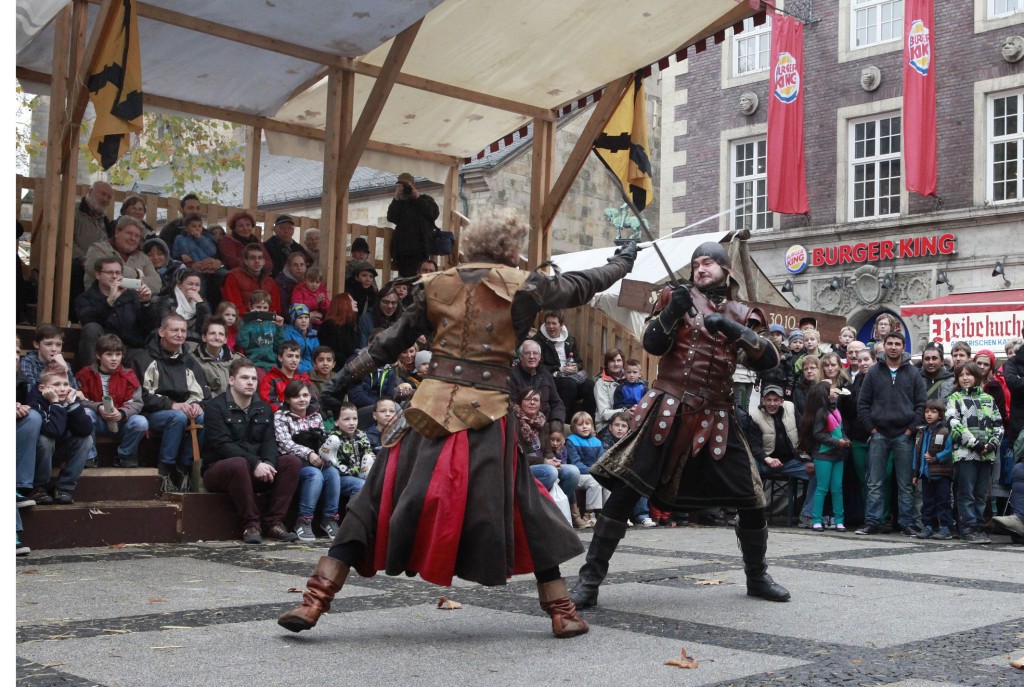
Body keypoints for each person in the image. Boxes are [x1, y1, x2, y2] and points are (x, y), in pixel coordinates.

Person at [277, 208, 636, 638]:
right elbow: (581, 285)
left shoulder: (436, 283)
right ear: (511, 248)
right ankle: (562, 611)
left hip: (428, 411)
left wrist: (340, 381)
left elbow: (388, 343)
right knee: (523, 505)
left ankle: (314, 601)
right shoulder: (524, 285)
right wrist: (622, 262)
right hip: (489, 416)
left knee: (377, 498)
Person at [570, 241, 788, 611]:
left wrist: (733, 329)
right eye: (696, 263)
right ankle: (589, 582)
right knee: (626, 490)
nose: (700, 268)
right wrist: (672, 310)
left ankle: (757, 576)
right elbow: (653, 343)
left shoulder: (742, 311)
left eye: (708, 263)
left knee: (752, 499)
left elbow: (769, 359)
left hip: (718, 415)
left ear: (726, 270)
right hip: (668, 408)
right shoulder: (676, 296)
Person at [202, 358, 301, 544]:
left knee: (292, 462)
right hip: (220, 470)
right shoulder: (215, 407)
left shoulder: (263, 407)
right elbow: (222, 445)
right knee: (238, 463)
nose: (250, 382)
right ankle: (251, 525)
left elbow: (270, 442)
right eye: (245, 378)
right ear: (232, 380)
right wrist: (255, 463)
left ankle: (274, 522)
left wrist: (268, 463)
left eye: (254, 379)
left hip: (256, 470)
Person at [855, 330, 926, 536]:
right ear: (884, 346)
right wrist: (872, 428)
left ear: (904, 347)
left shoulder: (913, 373)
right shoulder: (874, 372)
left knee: (905, 484)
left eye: (897, 344)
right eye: (890, 343)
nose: (893, 347)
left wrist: (910, 430)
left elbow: (921, 405)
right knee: (874, 482)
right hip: (879, 434)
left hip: (904, 435)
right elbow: (863, 404)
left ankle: (906, 523)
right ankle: (872, 521)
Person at [129, 313, 210, 493]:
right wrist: (170, 404)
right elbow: (140, 396)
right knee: (177, 418)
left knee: (202, 417)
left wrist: (196, 404)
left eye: (183, 331)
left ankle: (184, 469)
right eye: (175, 330)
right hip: (152, 413)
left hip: (182, 410)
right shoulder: (143, 359)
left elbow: (202, 393)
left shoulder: (189, 361)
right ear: (161, 332)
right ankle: (165, 471)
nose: (180, 334)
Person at [946, 361, 1003, 544]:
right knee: (966, 493)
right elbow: (954, 424)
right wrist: (975, 444)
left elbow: (998, 424)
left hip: (986, 455)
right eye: (961, 375)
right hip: (965, 454)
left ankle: (979, 526)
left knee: (981, 494)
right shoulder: (955, 398)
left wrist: (992, 444)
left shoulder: (988, 399)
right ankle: (967, 527)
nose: (965, 378)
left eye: (969, 374)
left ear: (977, 377)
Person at [74, 333, 148, 468]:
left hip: (121, 422)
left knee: (141, 422)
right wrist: (98, 407)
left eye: (118, 354)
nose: (114, 359)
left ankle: (125, 456)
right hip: (97, 421)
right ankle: (90, 457)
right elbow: (78, 400)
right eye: (109, 354)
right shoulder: (85, 375)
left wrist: (122, 413)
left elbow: (137, 403)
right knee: (85, 414)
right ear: (98, 355)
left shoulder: (128, 375)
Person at [274, 380, 335, 542]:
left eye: (305, 395)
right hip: (293, 464)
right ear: (288, 399)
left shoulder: (316, 415)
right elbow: (284, 444)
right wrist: (308, 454)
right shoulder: (281, 416)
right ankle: (304, 520)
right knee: (315, 475)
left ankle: (329, 519)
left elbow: (322, 439)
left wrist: (325, 455)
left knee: (332, 473)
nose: (302, 399)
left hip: (315, 461)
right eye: (296, 396)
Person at [513, 387, 583, 523]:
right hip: (523, 467)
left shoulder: (542, 422)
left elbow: (547, 450)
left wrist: (552, 460)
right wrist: (545, 462)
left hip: (543, 463)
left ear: (540, 403)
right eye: (528, 399)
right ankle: (534, 511)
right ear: (520, 402)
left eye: (535, 400)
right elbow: (517, 455)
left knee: (573, 472)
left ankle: (554, 512)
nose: (532, 402)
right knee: (550, 472)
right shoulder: (514, 422)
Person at [26, 364, 93, 505]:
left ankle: (64, 488)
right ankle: (38, 488)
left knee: (86, 440)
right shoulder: (35, 401)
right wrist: (55, 404)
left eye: (66, 384)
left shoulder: (68, 398)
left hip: (58, 450)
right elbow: (52, 431)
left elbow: (86, 430)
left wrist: (72, 404)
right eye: (56, 384)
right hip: (38, 456)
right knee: (45, 440)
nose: (62, 389)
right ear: (42, 388)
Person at [74, 256, 156, 369]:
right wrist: (110, 301)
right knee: (91, 328)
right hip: (101, 352)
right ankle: (90, 377)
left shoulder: (132, 296)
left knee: (145, 357)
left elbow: (148, 327)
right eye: (110, 272)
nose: (114, 276)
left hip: (128, 349)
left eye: (118, 273)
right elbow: (88, 322)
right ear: (98, 275)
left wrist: (146, 303)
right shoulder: (85, 298)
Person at [798, 381, 850, 532]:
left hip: (837, 455)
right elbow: (818, 434)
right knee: (822, 488)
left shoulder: (835, 410)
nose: (834, 391)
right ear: (826, 395)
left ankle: (839, 520)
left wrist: (845, 440)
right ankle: (816, 519)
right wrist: (837, 442)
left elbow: (841, 430)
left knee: (837, 488)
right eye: (831, 390)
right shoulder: (821, 412)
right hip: (823, 455)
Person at [533, 310, 596, 417]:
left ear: (561, 325)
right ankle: (563, 420)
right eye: (548, 323)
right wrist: (560, 369)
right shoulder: (538, 341)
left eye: (554, 323)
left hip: (570, 376)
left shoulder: (569, 339)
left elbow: (579, 362)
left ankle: (587, 420)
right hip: (551, 378)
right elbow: (538, 366)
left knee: (590, 386)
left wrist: (576, 367)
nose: (551, 326)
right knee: (569, 385)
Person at [83, 215, 162, 296]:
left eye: (137, 236)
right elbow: (98, 269)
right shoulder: (98, 249)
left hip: (134, 303)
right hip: (99, 302)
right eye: (129, 233)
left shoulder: (143, 258)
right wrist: (137, 273)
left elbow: (157, 284)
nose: (133, 238)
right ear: (117, 233)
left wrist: (128, 283)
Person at [911, 398, 953, 540]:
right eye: (927, 411)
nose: (929, 414)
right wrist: (916, 473)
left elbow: (949, 451)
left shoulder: (945, 431)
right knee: (927, 502)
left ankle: (945, 528)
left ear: (940, 415)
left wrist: (936, 458)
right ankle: (928, 526)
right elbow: (917, 454)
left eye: (933, 412)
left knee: (943, 501)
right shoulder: (921, 432)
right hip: (926, 474)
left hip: (942, 474)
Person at [71, 181, 115, 310]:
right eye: (103, 194)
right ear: (90, 192)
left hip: (102, 267)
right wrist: (83, 259)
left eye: (109, 197)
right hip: (79, 265)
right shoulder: (74, 212)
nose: (105, 199)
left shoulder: (105, 220)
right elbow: (65, 241)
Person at [387, 173, 439, 278]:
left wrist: (417, 197)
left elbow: (433, 214)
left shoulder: (425, 199)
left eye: (407, 185)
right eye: (401, 185)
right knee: (405, 280)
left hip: (421, 250)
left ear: (413, 185)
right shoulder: (400, 203)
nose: (405, 188)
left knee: (420, 278)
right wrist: (396, 198)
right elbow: (391, 217)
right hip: (402, 252)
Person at [509, 339, 566, 430]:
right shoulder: (512, 375)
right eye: (527, 353)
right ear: (521, 357)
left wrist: (556, 426)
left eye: (535, 353)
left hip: (546, 423)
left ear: (539, 357)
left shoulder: (546, 375)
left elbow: (557, 403)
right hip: (519, 424)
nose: (532, 357)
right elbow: (510, 404)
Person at [259, 340, 318, 413]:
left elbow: (314, 402)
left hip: (303, 417)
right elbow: (269, 404)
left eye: (297, 357)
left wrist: (304, 414)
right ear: (280, 357)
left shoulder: (304, 378)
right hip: (279, 417)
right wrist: (290, 413)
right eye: (290, 356)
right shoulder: (270, 379)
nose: (294, 360)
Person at [152, 268, 210, 342]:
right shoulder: (166, 302)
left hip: (196, 342)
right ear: (179, 284)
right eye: (190, 284)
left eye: (197, 285)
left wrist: (201, 303)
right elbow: (167, 327)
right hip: (172, 341)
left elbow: (208, 327)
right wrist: (195, 336)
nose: (194, 288)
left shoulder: (201, 303)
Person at [222, 244, 282, 315]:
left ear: (264, 261)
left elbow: (275, 308)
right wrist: (253, 316)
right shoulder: (233, 277)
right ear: (245, 261)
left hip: (266, 319)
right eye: (252, 258)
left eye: (260, 258)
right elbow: (234, 306)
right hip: (240, 318)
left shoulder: (270, 282)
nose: (257, 261)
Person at [235, 291, 285, 372]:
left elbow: (279, 346)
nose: (262, 310)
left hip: (272, 364)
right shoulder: (246, 323)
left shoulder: (272, 323)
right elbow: (243, 344)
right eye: (258, 307)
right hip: (253, 364)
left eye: (265, 308)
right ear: (250, 306)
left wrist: (279, 328)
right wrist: (247, 323)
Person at [192, 318, 235, 396]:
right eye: (212, 333)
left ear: (225, 340)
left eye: (221, 334)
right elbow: (200, 391)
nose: (217, 337)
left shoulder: (237, 360)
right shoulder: (193, 361)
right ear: (204, 337)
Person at [318, 293, 361, 366]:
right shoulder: (329, 326)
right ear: (342, 305)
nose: (356, 302)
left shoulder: (353, 326)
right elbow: (329, 351)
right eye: (351, 300)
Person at [593, 349, 624, 433]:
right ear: (607, 364)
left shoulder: (631, 380)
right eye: (612, 361)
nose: (616, 364)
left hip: (628, 424)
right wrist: (625, 411)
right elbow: (604, 414)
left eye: (619, 360)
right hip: (606, 426)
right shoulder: (600, 383)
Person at [283, 304, 320, 375]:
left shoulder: (312, 335)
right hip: (296, 372)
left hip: (313, 371)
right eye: (300, 317)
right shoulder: (287, 334)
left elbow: (317, 355)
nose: (304, 321)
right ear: (294, 320)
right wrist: (306, 371)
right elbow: (289, 357)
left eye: (306, 317)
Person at [276, 251, 308, 316]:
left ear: (305, 266)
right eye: (295, 265)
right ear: (289, 267)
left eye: (302, 264)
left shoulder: (309, 282)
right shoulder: (281, 283)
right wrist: (307, 314)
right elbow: (284, 310)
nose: (299, 268)